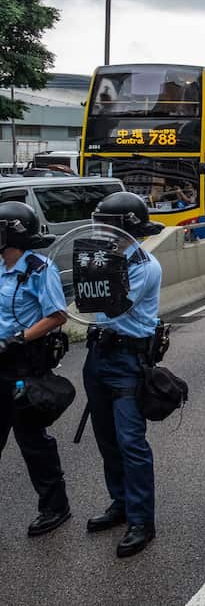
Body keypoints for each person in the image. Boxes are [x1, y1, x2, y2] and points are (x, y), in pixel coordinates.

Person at [83, 192, 165, 557]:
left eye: (107, 226)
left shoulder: (145, 265)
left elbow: (113, 305)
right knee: (106, 437)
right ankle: (120, 502)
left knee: (131, 441)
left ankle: (141, 520)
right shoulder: (103, 257)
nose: (101, 232)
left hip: (127, 359)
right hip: (98, 354)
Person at [0, 201, 72, 538]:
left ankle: (55, 507)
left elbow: (58, 315)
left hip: (23, 364)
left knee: (31, 440)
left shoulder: (40, 269)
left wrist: (18, 338)